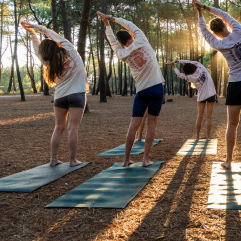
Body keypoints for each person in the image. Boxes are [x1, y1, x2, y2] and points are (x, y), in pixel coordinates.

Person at [192, 0, 241, 170]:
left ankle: (229, 161)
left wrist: (199, 13)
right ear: (226, 25)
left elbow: (203, 31)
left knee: (232, 123)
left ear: (216, 33)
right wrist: (205, 7)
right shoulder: (239, 31)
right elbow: (223, 14)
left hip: (236, 84)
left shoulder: (218, 43)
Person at [97, 11, 164, 167]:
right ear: (132, 36)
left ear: (122, 43)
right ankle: (145, 159)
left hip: (141, 92)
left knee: (133, 125)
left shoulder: (122, 53)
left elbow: (112, 42)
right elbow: (130, 25)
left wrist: (107, 26)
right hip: (156, 88)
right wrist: (112, 19)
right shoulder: (141, 40)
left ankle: (126, 160)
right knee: (152, 124)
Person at [21, 22, 88, 167]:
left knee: (58, 128)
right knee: (73, 128)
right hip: (77, 94)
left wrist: (32, 34)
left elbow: (36, 48)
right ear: (56, 45)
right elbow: (50, 33)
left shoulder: (47, 61)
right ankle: (72, 160)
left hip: (60, 97)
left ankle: (53, 159)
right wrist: (35, 27)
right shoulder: (69, 50)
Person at [166, 60, 216, 141]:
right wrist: (179, 61)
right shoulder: (201, 67)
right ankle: (207, 137)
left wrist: (174, 66)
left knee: (200, 116)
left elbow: (179, 75)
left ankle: (197, 137)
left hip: (201, 97)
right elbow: (190, 61)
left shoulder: (189, 77)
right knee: (209, 117)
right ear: (192, 66)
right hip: (211, 94)